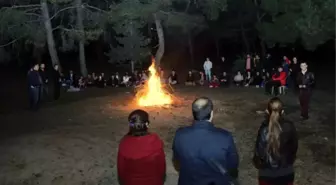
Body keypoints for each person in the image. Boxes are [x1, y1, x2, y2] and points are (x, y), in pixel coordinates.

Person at [172, 97, 239, 185]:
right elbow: (232, 165)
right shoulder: (225, 137)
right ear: (211, 113)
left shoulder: (180, 135)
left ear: (193, 114)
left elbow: (177, 160)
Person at [253, 97, 298, 185]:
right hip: (286, 172)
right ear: (282, 112)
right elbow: (294, 148)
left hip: (267, 174)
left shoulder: (264, 129)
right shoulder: (289, 126)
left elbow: (259, 153)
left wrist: (260, 164)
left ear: (267, 111)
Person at [117, 109, 166, 185]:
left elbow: (121, 170)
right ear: (147, 124)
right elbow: (161, 167)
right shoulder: (155, 142)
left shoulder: (124, 143)